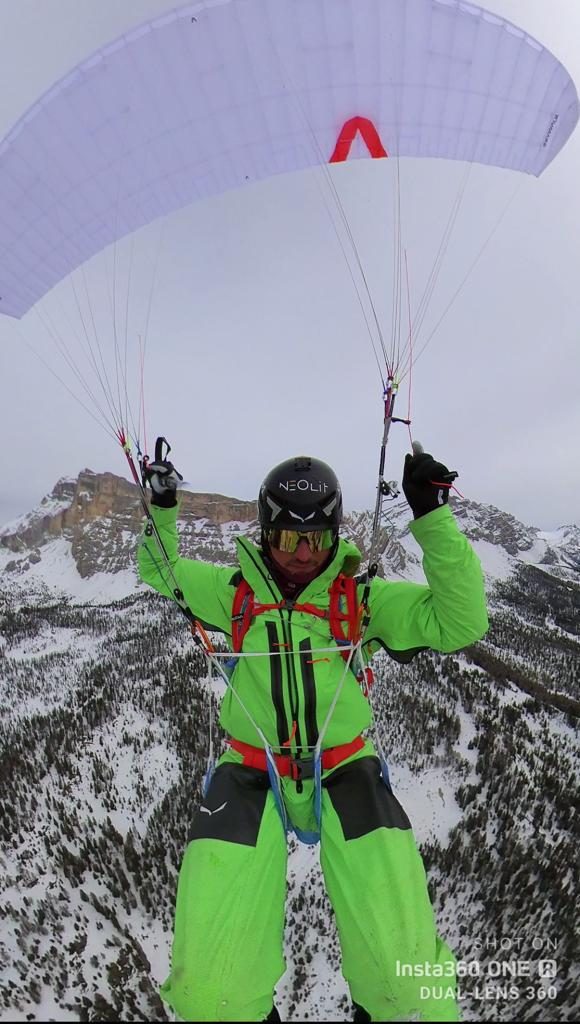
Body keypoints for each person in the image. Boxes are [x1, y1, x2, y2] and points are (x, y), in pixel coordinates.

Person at [137, 449, 488, 1023]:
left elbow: (462, 620)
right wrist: (165, 506)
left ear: (333, 535)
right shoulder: (235, 596)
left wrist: (433, 516)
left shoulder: (361, 600)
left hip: (343, 765)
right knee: (209, 995)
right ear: (266, 533)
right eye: (288, 539)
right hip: (252, 765)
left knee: (408, 987)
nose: (304, 554)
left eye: (318, 540)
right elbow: (161, 570)